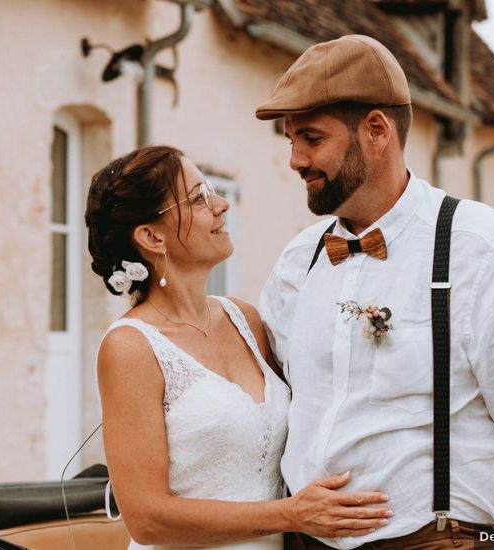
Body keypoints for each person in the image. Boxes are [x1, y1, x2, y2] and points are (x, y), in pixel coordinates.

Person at [256, 35, 494, 550]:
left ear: (376, 130)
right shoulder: (299, 263)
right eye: (290, 140)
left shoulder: (478, 246)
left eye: (312, 138)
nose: (296, 159)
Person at [85, 145, 394, 550]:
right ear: (151, 236)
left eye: (210, 190)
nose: (222, 204)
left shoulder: (245, 320)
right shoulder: (129, 348)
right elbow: (147, 518)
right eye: (198, 198)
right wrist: (291, 515)